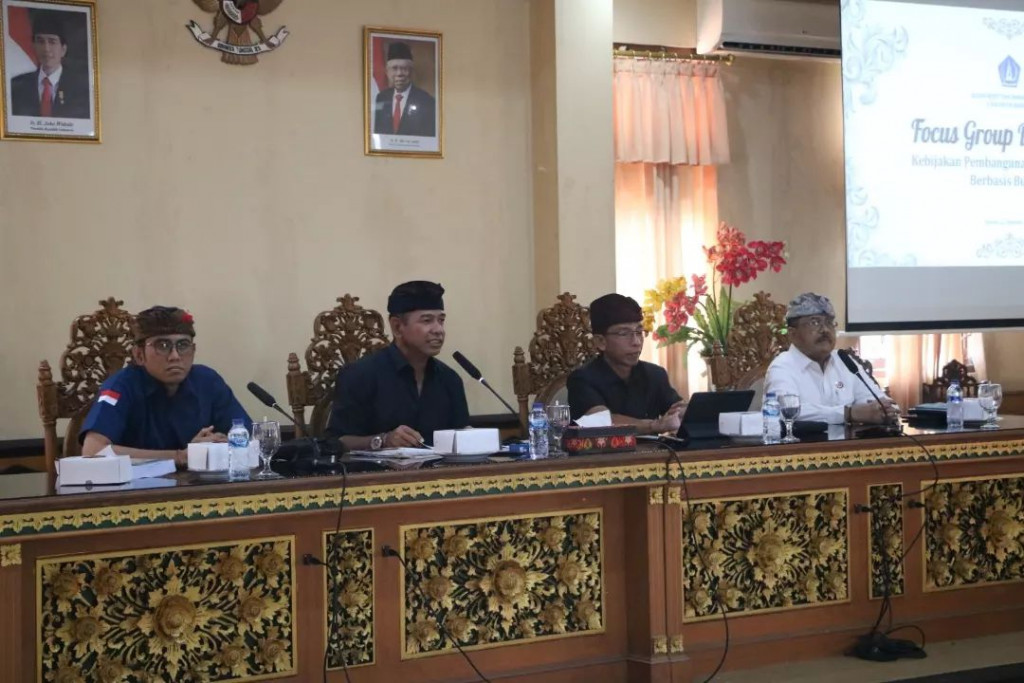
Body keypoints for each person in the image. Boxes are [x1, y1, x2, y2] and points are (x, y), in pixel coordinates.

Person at [79, 306, 251, 465]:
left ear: (193, 350)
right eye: (162, 346)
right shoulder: (121, 386)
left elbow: (248, 437)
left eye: (183, 345)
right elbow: (94, 451)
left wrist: (219, 445)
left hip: (202, 484)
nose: (175, 356)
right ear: (139, 355)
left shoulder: (208, 381)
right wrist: (180, 456)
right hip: (138, 486)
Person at [326, 281, 469, 450]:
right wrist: (383, 440)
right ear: (397, 327)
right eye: (427, 320)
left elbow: (462, 436)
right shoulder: (359, 375)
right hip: (376, 467)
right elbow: (336, 442)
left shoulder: (450, 380)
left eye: (441, 320)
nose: (439, 330)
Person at [764, 292, 898, 425]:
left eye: (829, 323)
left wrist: (884, 410)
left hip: (849, 438)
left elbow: (882, 402)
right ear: (792, 334)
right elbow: (785, 412)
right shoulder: (782, 367)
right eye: (815, 322)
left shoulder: (844, 361)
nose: (825, 330)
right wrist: (848, 413)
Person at [567, 293, 687, 435]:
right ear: (600, 342)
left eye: (639, 332)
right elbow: (601, 421)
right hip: (605, 450)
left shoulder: (655, 374)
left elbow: (676, 409)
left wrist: (683, 413)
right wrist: (654, 425)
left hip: (653, 449)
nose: (636, 342)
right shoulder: (582, 379)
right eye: (624, 334)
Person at [10, 12, 90, 119]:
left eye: (52, 42)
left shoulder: (81, 88)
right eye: (40, 41)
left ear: (63, 49)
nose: (46, 49)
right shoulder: (16, 86)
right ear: (34, 46)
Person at [372, 41, 437, 137]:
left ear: (411, 71)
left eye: (404, 69)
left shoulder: (427, 102)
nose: (399, 74)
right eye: (394, 68)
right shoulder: (381, 98)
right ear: (387, 72)